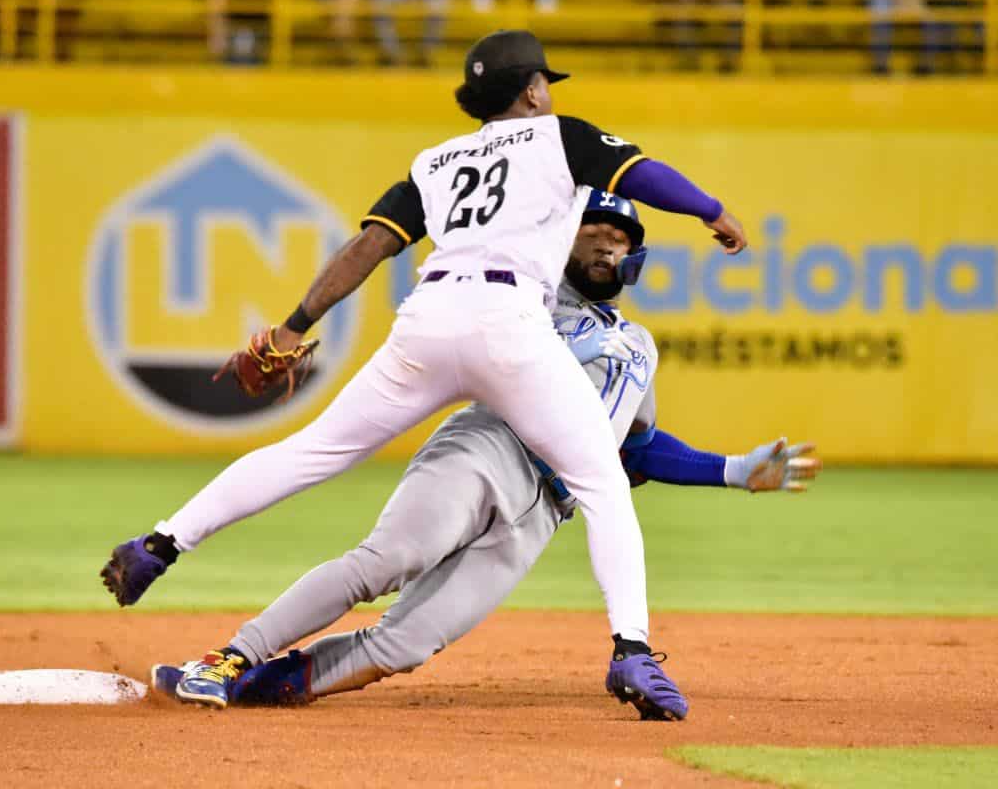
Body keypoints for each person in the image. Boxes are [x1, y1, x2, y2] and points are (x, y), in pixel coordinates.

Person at [100, 29, 748, 710]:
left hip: (430, 315)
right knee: (601, 485)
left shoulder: (436, 160)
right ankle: (631, 650)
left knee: (314, 450)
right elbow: (644, 175)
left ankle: (163, 543)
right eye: (544, 83)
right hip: (508, 322)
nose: (548, 92)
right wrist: (711, 210)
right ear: (531, 89)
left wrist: (294, 326)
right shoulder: (559, 134)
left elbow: (370, 246)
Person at [147, 192, 818, 719]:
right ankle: (229, 658)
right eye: (594, 232)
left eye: (620, 239)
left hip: (543, 513)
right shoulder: (521, 297)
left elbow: (633, 449)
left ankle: (272, 682)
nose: (608, 245)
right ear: (561, 240)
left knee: (405, 645)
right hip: (486, 450)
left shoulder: (638, 345)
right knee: (387, 561)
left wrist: (732, 471)